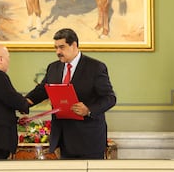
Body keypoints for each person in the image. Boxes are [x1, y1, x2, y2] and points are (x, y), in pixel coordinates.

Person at [25, 28, 116, 159]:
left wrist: (89, 109)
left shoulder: (95, 67)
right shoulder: (53, 67)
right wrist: (25, 103)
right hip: (63, 139)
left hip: (89, 140)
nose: (58, 52)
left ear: (74, 45)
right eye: (55, 48)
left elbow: (110, 98)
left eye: (62, 47)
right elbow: (42, 90)